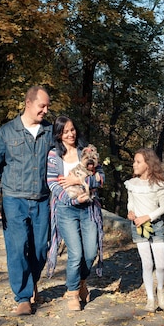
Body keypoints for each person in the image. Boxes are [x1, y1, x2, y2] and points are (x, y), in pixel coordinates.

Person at [0, 85, 52, 316]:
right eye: (42, 106)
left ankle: (32, 280)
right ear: (29, 103)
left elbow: (68, 157)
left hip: (43, 200)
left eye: (47, 107)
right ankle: (23, 297)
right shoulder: (6, 132)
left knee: (41, 248)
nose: (45, 111)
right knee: (17, 248)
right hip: (14, 199)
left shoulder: (50, 132)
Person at [46, 116, 105, 311]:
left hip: (88, 207)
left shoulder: (87, 152)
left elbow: (101, 178)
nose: (70, 134)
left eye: (72, 130)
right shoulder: (54, 155)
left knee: (90, 252)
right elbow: (53, 183)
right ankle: (72, 292)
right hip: (66, 208)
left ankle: (81, 283)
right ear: (59, 135)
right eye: (65, 131)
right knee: (76, 253)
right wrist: (71, 199)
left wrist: (79, 182)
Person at [125, 148, 164, 312]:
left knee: (160, 264)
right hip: (138, 226)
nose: (134, 164)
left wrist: (148, 217)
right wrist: (131, 212)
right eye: (134, 161)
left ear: (148, 165)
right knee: (147, 263)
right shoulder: (132, 184)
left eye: (138, 162)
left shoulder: (158, 185)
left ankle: (160, 290)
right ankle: (150, 298)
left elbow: (163, 207)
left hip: (155, 226)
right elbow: (130, 202)